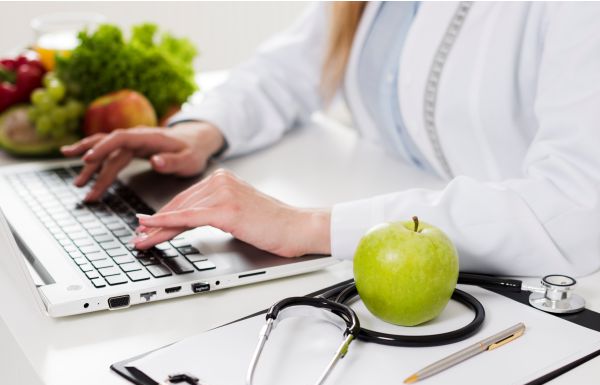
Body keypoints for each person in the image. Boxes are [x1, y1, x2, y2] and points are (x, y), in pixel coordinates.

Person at [61, 2, 600, 277]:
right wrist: (201, 131)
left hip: (534, 281)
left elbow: (579, 206)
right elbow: (290, 69)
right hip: (408, 241)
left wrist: (306, 226)